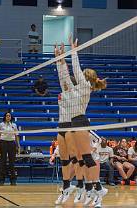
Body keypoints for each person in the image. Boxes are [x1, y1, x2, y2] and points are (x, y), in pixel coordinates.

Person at [68, 36, 107, 207]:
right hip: (75, 122)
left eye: (82, 75)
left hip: (81, 122)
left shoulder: (84, 86)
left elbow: (75, 68)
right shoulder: (80, 88)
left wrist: (73, 51)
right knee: (81, 158)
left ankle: (97, 189)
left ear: (85, 77)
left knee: (87, 157)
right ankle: (91, 188)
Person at [54, 43, 81, 205]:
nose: (63, 83)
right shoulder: (63, 92)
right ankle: (66, 187)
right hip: (61, 126)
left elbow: (64, 75)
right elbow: (61, 75)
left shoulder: (74, 92)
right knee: (64, 159)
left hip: (72, 126)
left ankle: (79, 186)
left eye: (66, 83)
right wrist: (58, 58)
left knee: (75, 158)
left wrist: (62, 58)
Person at [0, 112, 20, 186]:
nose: (8, 117)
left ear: (11, 117)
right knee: (2, 162)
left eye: (9, 116)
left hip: (12, 144)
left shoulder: (14, 125)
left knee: (12, 162)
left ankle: (13, 180)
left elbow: (16, 136)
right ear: (5, 117)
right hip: (3, 143)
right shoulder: (0, 125)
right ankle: (1, 180)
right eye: (7, 116)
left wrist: (18, 146)